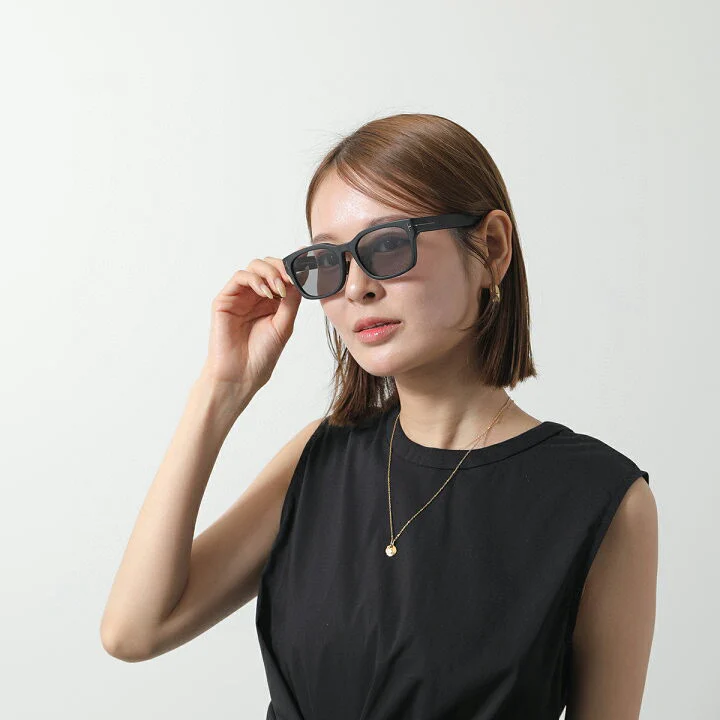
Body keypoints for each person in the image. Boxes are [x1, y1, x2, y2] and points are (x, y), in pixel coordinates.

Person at [100, 113, 657, 719]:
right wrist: (221, 389)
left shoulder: (599, 498)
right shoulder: (320, 457)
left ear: (491, 248)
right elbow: (134, 631)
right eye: (329, 261)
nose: (356, 287)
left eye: (389, 244)